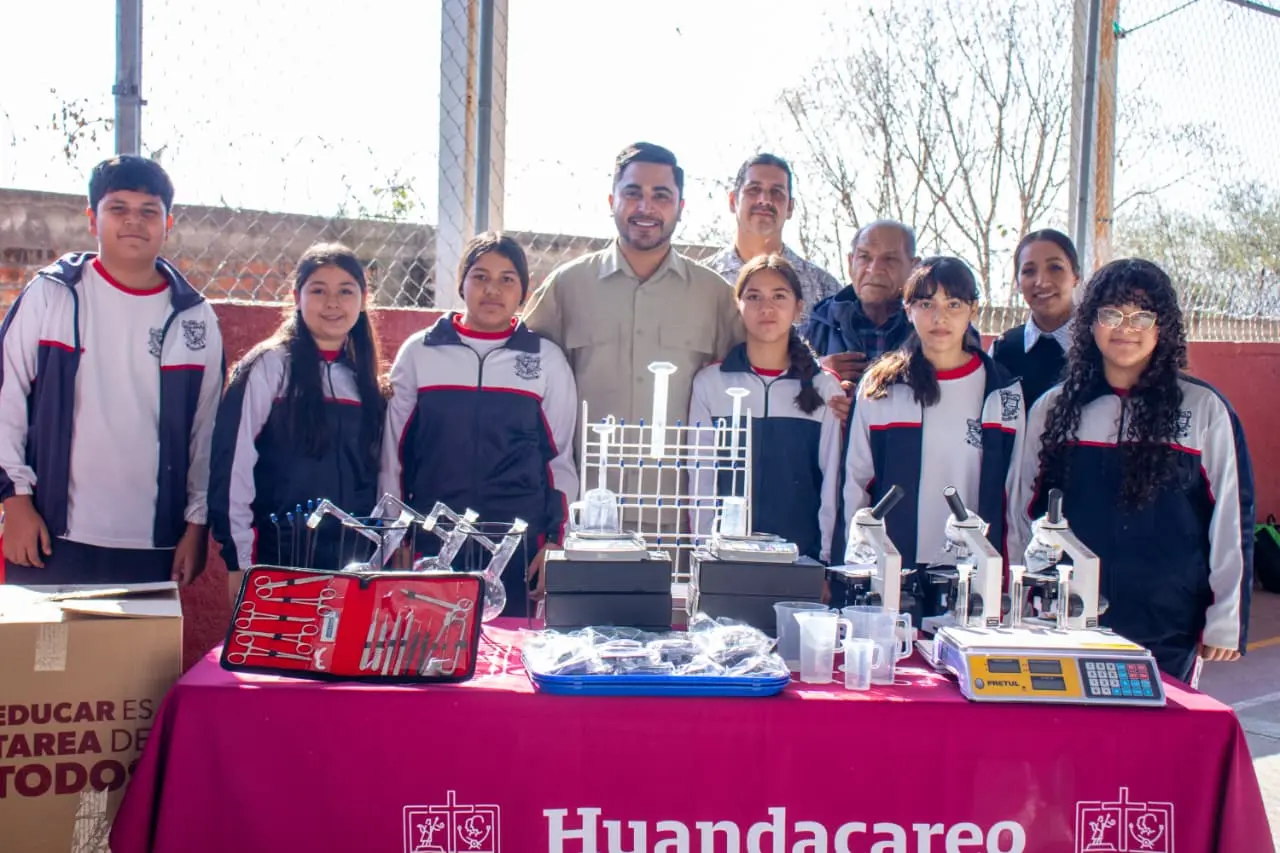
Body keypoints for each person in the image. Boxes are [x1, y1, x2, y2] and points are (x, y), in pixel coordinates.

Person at [1014, 258, 1254, 682]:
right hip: (1065, 617)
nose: (1125, 327)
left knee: (1155, 743)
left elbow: (1231, 521)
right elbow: (1020, 510)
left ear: (1163, 327)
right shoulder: (1053, 409)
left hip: (1166, 622)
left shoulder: (1203, 409)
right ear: (1089, 323)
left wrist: (1224, 618)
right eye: (1110, 314)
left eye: (1142, 315)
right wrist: (1017, 596)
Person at [0, 155, 224, 586]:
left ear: (168, 223)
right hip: (50, 533)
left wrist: (197, 526)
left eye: (148, 211)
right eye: (117, 208)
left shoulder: (194, 317)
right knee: (47, 656)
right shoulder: (52, 294)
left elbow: (206, 434)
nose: (133, 222)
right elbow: (5, 396)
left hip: (155, 544)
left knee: (139, 657)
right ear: (92, 218)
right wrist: (16, 501)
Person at [381, 233, 578, 616]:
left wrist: (556, 541)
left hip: (517, 544)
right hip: (432, 542)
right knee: (429, 654)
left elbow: (560, 462)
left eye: (507, 279)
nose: (493, 289)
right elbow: (395, 457)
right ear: (461, 283)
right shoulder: (420, 352)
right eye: (480, 276)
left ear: (524, 290)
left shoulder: (547, 360)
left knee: (507, 663)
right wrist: (396, 535)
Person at [843, 257, 1024, 626]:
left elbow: (1014, 498)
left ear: (972, 309)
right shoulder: (881, 389)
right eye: (926, 304)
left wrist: (1009, 581)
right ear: (908, 310)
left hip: (970, 579)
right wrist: (852, 570)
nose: (939, 317)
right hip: (891, 573)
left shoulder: (1002, 391)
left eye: (953, 304)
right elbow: (855, 486)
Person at [523, 142, 744, 428]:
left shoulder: (714, 295)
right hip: (580, 473)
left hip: (680, 474)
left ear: (681, 208)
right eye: (632, 193)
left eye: (661, 196)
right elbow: (517, 372)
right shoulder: (566, 287)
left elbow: (760, 373)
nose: (645, 207)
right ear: (611, 200)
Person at [209, 244, 385, 578]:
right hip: (275, 561)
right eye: (318, 290)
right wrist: (240, 561)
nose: (332, 302)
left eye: (345, 291)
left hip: (351, 567)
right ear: (296, 297)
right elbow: (233, 466)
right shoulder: (269, 366)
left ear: (363, 300)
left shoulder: (365, 382)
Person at [688, 255, 843, 564]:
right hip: (727, 560)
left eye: (779, 296)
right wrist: (705, 554)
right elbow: (701, 479)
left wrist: (825, 561)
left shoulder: (825, 388)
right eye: (754, 297)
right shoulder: (710, 383)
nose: (766, 308)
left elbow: (833, 482)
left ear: (799, 307)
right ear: (738, 305)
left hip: (802, 560)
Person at [704, 153, 842, 327]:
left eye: (776, 192)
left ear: (790, 207)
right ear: (733, 201)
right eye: (753, 189)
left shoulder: (824, 289)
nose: (765, 200)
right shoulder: (702, 281)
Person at [804, 220, 921, 389]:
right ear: (851, 263)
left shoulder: (930, 327)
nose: (874, 269)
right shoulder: (817, 328)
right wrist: (815, 373)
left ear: (914, 267)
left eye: (890, 259)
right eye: (864, 257)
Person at [990, 229, 1080, 405]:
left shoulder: (1099, 346)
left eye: (1055, 268)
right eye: (1029, 271)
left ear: (1075, 276)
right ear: (1017, 282)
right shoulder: (1003, 350)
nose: (1042, 282)